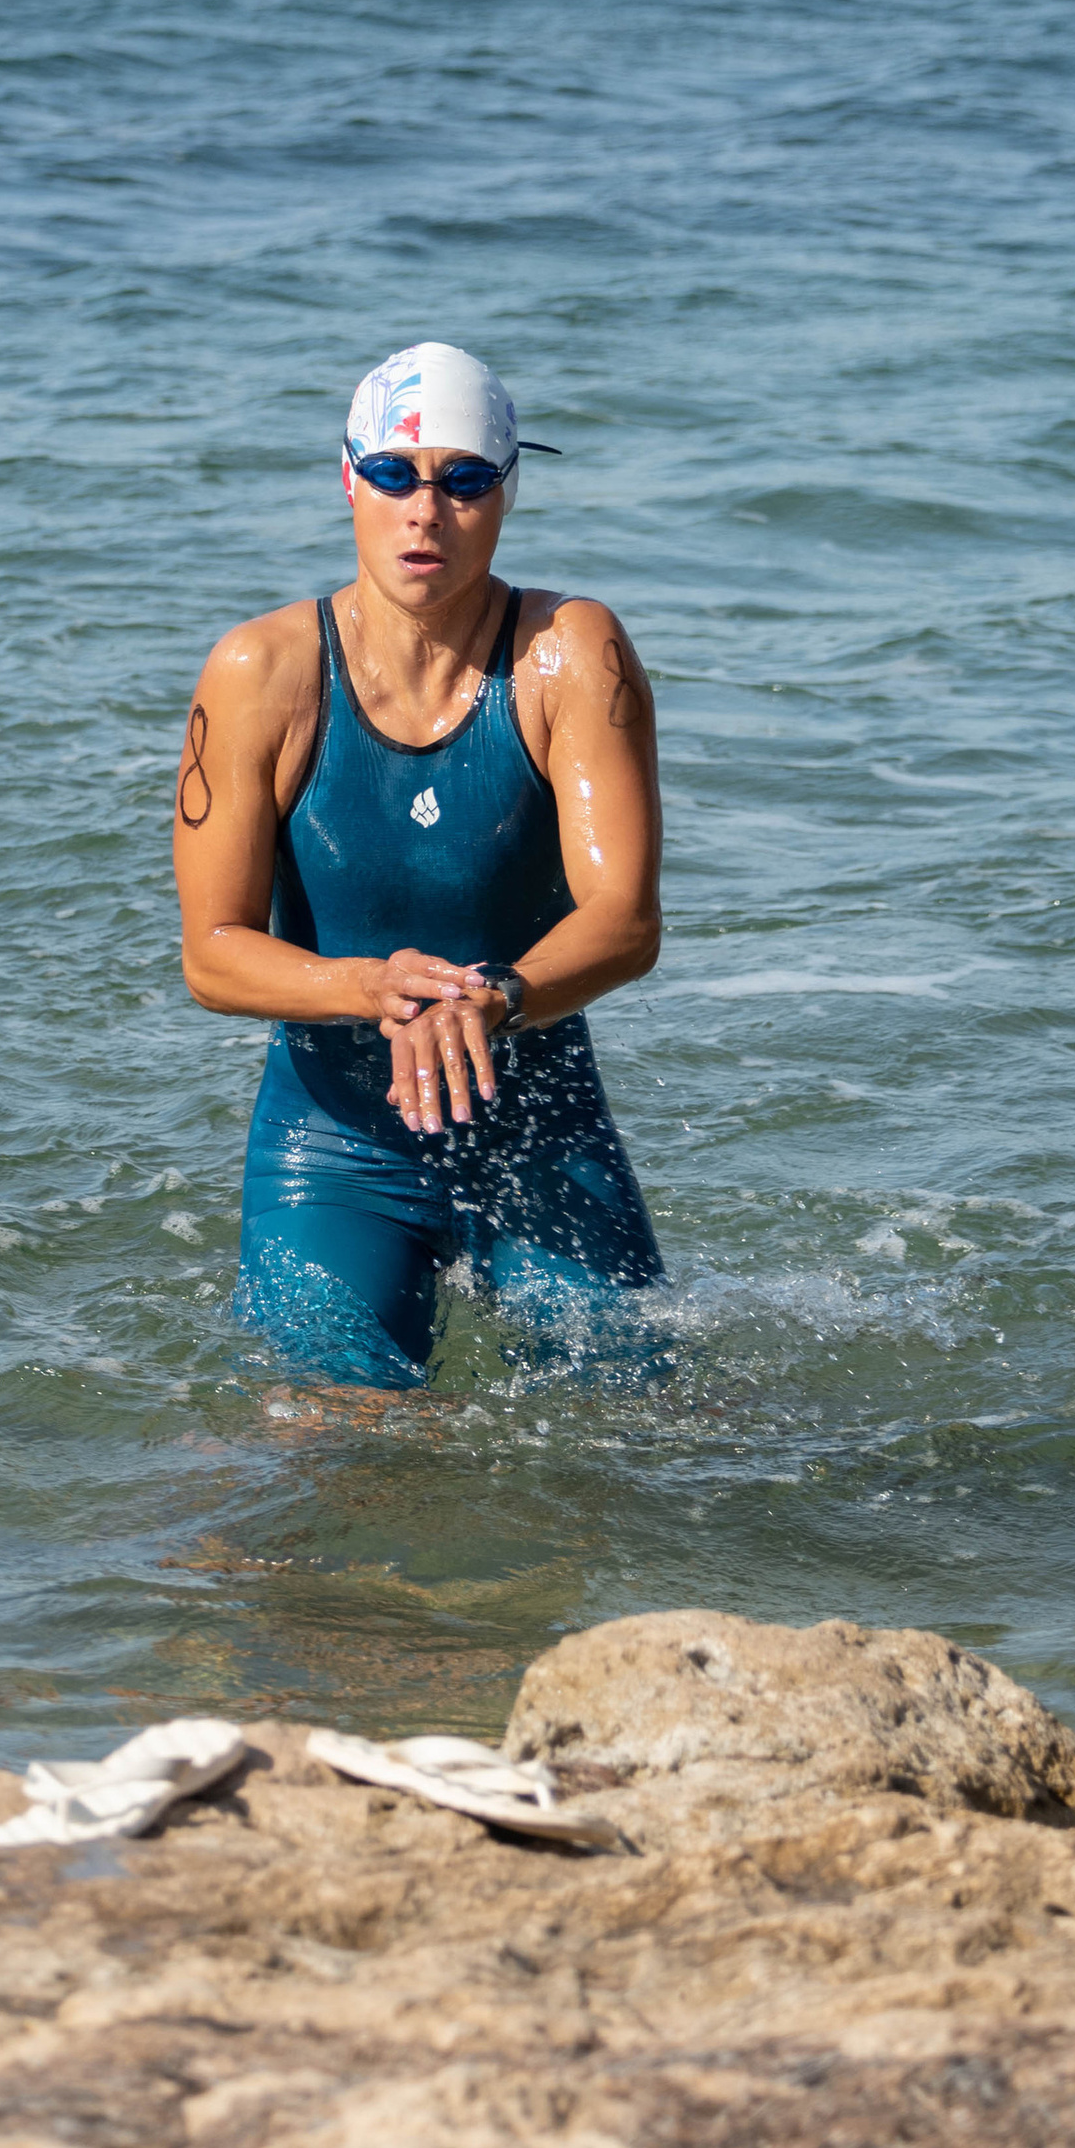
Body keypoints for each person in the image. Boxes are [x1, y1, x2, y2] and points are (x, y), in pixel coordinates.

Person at [173, 340, 666, 1393]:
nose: (424, 513)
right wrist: (365, 986)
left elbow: (623, 920)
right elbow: (213, 956)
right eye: (395, 476)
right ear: (348, 478)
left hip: (542, 1130)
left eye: (464, 480)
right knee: (331, 1452)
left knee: (640, 1446)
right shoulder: (262, 671)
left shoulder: (570, 654)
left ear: (507, 492)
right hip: (336, 1147)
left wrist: (494, 1000)